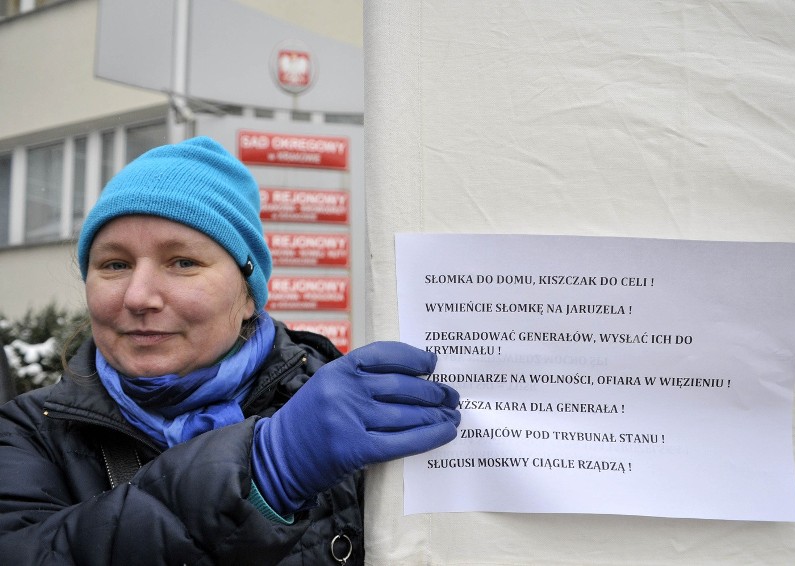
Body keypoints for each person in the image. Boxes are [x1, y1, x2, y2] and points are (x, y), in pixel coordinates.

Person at [0, 136, 461, 565]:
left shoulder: (348, 419)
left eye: (182, 262)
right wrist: (261, 469)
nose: (138, 296)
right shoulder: (28, 433)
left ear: (247, 296)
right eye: (114, 264)